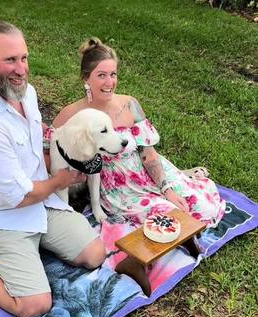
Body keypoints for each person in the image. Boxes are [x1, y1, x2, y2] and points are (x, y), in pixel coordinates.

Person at [0, 23, 106, 317]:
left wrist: (66, 155)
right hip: (3, 216)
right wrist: (60, 180)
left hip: (41, 203)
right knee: (35, 305)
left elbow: (36, 148)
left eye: (23, 58)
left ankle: (34, 251)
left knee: (95, 254)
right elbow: (19, 196)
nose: (20, 69)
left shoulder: (27, 94)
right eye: (10, 60)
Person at [52, 37, 226, 228]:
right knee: (172, 220)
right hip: (120, 188)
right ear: (86, 78)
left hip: (150, 173)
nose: (110, 82)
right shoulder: (71, 115)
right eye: (101, 75)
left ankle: (184, 179)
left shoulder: (129, 104)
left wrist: (167, 188)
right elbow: (49, 151)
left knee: (203, 208)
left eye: (113, 74)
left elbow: (148, 154)